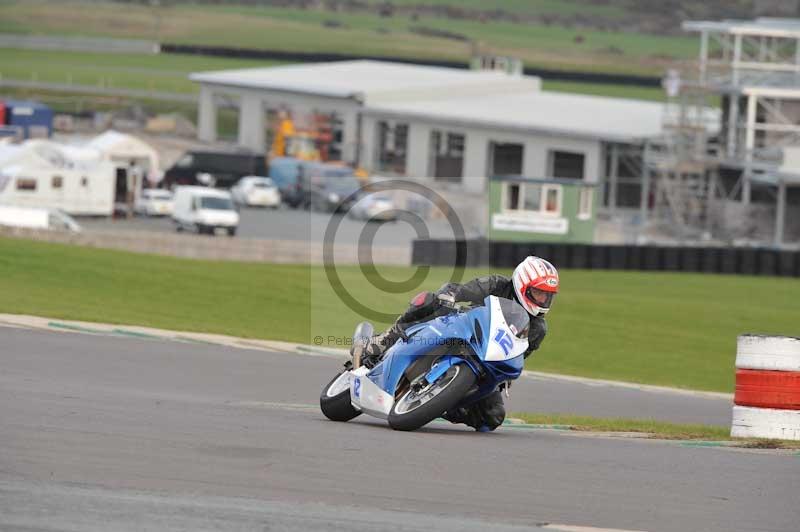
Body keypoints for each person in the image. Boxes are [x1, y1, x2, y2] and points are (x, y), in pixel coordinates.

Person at [359, 256, 559, 432]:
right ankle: (384, 340)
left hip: (486, 359)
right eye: (539, 293)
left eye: (547, 295)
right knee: (428, 301)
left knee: (493, 417)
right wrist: (450, 295)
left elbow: (520, 353)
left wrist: (506, 375)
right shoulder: (498, 284)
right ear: (522, 285)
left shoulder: (537, 328)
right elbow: (462, 290)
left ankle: (440, 404)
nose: (543, 300)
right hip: (461, 329)